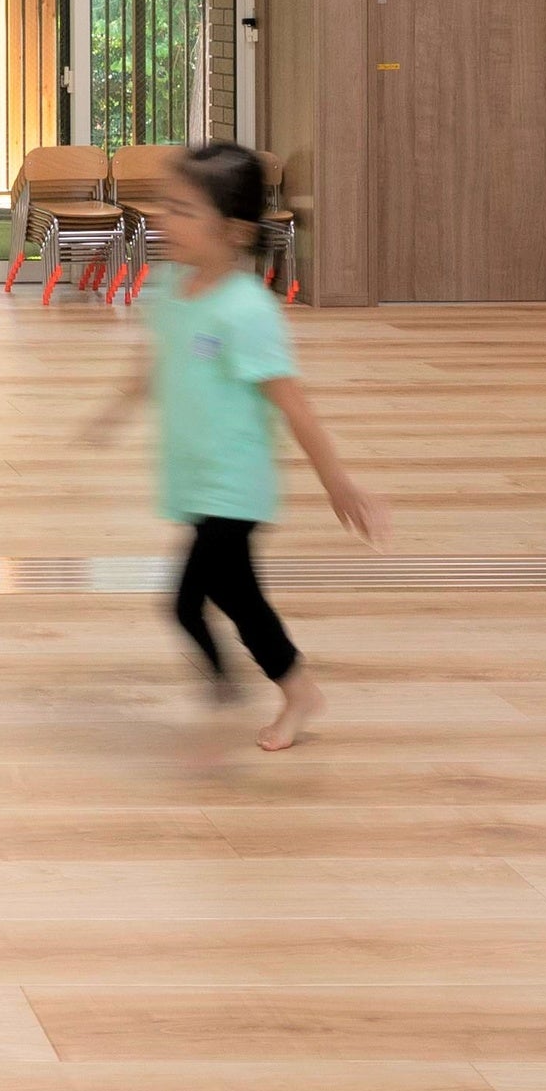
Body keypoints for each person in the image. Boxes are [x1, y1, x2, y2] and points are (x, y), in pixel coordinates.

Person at [92, 141, 387, 754]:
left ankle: (293, 688)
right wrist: (116, 409)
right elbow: (156, 357)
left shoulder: (248, 310)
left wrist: (338, 481)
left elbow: (293, 402)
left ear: (231, 230)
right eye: (166, 205)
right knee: (193, 604)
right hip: (195, 479)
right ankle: (234, 686)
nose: (165, 219)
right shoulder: (170, 286)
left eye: (185, 210)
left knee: (217, 596)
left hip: (235, 484)